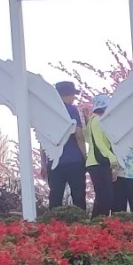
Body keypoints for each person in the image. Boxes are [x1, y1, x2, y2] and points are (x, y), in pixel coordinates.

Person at [47, 82, 86, 210]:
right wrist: (85, 157)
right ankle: (80, 220)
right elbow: (79, 135)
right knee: (78, 196)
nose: (74, 98)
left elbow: (43, 139)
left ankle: (53, 221)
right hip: (74, 159)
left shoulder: (48, 111)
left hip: (53, 160)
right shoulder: (72, 110)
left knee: (55, 196)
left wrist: (43, 162)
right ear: (69, 95)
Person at [82, 95, 120, 216]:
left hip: (96, 162)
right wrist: (112, 158)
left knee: (103, 197)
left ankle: (97, 223)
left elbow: (89, 139)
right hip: (98, 162)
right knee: (105, 197)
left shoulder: (93, 120)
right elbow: (99, 143)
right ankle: (98, 223)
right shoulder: (97, 120)